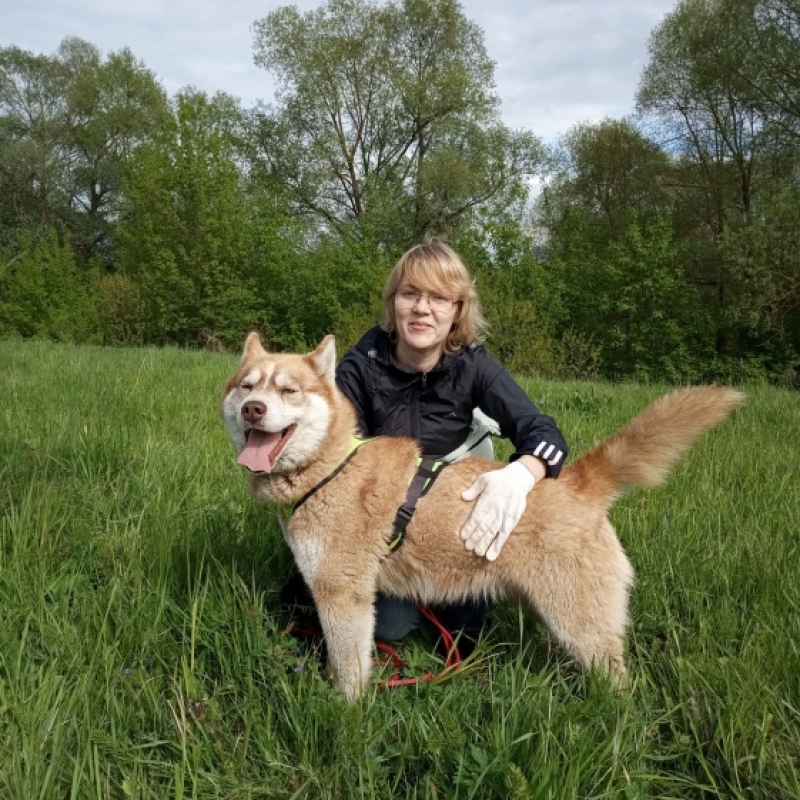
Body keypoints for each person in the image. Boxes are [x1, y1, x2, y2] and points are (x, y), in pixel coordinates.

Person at [331, 239, 568, 645]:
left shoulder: (473, 363)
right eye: (410, 294)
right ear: (394, 303)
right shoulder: (360, 363)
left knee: (463, 636)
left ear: (457, 310)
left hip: (460, 520)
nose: (422, 309)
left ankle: (467, 605)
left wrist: (520, 476)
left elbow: (545, 434)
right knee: (391, 628)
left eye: (439, 298)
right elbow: (330, 451)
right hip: (391, 530)